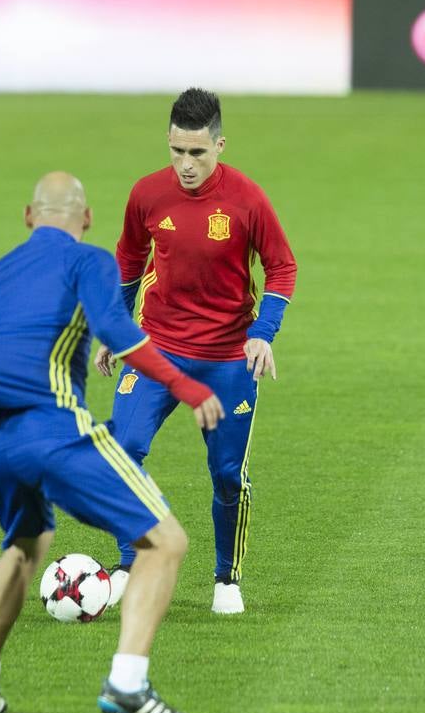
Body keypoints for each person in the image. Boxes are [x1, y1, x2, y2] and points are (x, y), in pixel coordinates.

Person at [0, 172, 224, 713]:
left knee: (27, 543)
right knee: (165, 542)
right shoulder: (88, 261)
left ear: (28, 217)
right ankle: (126, 682)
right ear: (87, 219)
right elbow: (118, 329)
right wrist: (188, 387)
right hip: (53, 431)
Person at [94, 89, 297, 616]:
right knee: (124, 450)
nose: (186, 165)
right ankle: (127, 564)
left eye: (198, 153)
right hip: (155, 348)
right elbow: (128, 256)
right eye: (177, 151)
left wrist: (263, 332)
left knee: (227, 474)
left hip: (227, 359)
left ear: (220, 145)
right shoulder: (146, 195)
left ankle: (226, 578)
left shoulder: (249, 201)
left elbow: (282, 267)